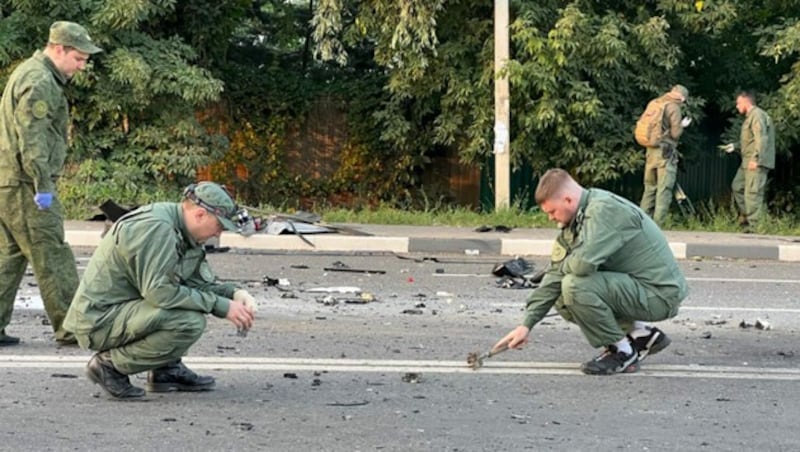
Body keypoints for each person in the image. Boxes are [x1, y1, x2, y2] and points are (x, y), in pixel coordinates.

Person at [63, 182, 258, 399]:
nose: (218, 233)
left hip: (124, 311)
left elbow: (195, 283)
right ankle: (109, 366)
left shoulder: (184, 230)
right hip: (98, 320)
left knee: (188, 304)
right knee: (188, 322)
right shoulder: (158, 228)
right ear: (200, 214)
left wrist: (235, 294)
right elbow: (160, 292)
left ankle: (166, 370)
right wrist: (219, 306)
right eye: (219, 226)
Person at [495, 169, 688, 375]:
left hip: (659, 294)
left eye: (552, 212)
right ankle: (640, 334)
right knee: (560, 292)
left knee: (575, 285)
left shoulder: (604, 211)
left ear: (568, 200)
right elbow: (554, 275)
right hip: (637, 287)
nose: (550, 218)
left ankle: (622, 352)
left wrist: (561, 268)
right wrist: (526, 325)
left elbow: (581, 266)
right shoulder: (577, 219)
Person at [0, 21, 103, 346]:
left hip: (9, 182)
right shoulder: (40, 81)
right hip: (26, 185)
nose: (82, 66)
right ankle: (74, 327)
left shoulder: (29, 72)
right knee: (52, 254)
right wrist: (42, 185)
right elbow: (33, 139)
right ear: (59, 49)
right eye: (79, 58)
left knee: (10, 256)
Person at [719, 91, 775, 229]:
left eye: (738, 103)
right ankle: (747, 216)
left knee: (752, 193)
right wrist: (735, 146)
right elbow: (750, 140)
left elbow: (761, 138)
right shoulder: (750, 117)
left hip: (755, 162)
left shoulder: (757, 115)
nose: (737, 106)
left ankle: (755, 226)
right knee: (737, 186)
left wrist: (756, 158)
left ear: (746, 101)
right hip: (746, 162)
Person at [639, 84, 692, 226]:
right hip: (665, 153)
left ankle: (643, 225)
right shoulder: (673, 108)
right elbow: (675, 134)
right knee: (664, 190)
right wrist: (682, 126)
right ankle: (657, 226)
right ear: (681, 97)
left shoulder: (655, 103)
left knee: (649, 188)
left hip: (650, 151)